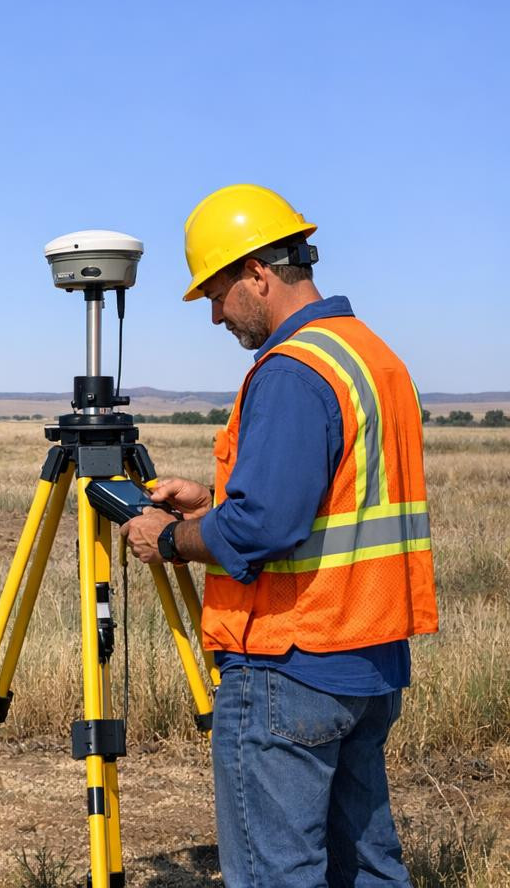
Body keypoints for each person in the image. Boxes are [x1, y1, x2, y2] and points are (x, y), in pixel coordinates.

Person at [121, 184, 436, 887]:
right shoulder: (370, 356)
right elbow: (336, 498)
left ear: (257, 273)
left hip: (292, 659)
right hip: (368, 656)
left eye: (216, 293)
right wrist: (214, 503)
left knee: (277, 874)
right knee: (368, 868)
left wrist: (169, 540)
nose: (212, 316)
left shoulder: (293, 370)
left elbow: (268, 525)